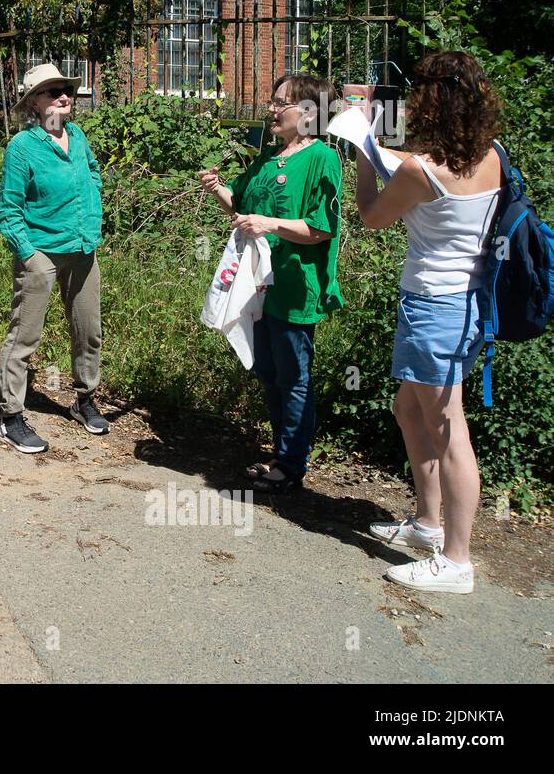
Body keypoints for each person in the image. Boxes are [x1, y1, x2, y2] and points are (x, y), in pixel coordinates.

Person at [355, 52, 503, 594]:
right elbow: (421, 168)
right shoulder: (491, 155)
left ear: (434, 100)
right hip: (465, 303)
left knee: (448, 429)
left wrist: (362, 153)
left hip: (434, 306)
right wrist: (380, 148)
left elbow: (371, 215)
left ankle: (456, 561)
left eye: (418, 91)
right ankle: (427, 525)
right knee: (408, 407)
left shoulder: (423, 170)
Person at [198, 74, 344, 494]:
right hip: (256, 285)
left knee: (293, 376)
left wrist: (271, 223)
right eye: (273, 101)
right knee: (268, 371)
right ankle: (282, 454)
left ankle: (292, 464)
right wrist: (217, 190)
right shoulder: (267, 157)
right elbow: (241, 208)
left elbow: (322, 227)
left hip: (296, 286)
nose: (272, 110)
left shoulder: (323, 159)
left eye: (282, 103)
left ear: (310, 113)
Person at [0, 63, 107, 454]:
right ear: (33, 102)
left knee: (88, 330)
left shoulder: (77, 137)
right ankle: (10, 417)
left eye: (66, 90)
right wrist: (29, 254)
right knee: (25, 336)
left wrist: (93, 217)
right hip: (41, 252)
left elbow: (93, 174)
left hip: (82, 248)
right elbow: (8, 211)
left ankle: (84, 399)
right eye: (52, 91)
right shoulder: (22, 148)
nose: (63, 96)